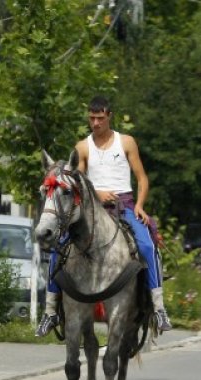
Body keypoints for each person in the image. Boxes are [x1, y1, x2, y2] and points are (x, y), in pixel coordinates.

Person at [36, 96, 172, 336]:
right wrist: (97, 194)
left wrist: (140, 205)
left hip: (125, 203)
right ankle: (50, 312)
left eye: (100, 118)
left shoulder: (127, 142)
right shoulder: (82, 147)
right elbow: (75, 184)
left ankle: (158, 308)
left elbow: (142, 178)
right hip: (92, 207)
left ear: (109, 116)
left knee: (147, 245)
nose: (95, 123)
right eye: (92, 118)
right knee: (60, 247)